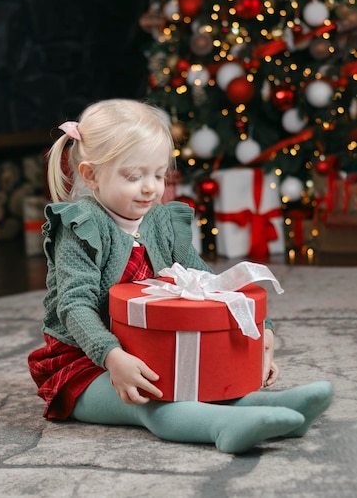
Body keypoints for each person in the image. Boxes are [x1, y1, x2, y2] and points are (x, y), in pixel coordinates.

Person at [28, 98, 332, 454]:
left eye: (159, 175)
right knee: (151, 402)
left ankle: (279, 409)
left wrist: (260, 332)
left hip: (149, 347)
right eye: (133, 176)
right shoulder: (80, 226)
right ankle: (224, 428)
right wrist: (112, 357)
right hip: (84, 362)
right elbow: (74, 305)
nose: (150, 188)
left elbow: (208, 283)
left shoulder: (162, 222)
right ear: (91, 174)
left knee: (205, 384)